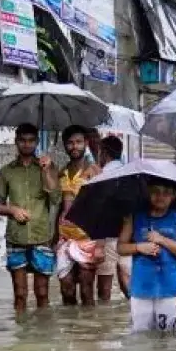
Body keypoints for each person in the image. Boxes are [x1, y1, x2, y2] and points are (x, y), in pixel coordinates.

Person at [0, 123, 61, 312]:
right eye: (23, 140)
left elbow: (55, 198)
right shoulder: (6, 171)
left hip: (42, 236)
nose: (27, 144)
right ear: (16, 142)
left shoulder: (47, 166)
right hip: (16, 237)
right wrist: (12, 210)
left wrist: (47, 170)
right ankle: (22, 336)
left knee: (42, 293)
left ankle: (42, 337)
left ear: (37, 142)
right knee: (20, 294)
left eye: (31, 140)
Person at [117, 179, 176, 332]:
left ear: (174, 195)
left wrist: (162, 240)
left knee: (168, 337)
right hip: (141, 287)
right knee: (140, 337)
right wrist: (139, 247)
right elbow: (120, 247)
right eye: (155, 191)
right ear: (148, 192)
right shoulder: (135, 217)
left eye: (166, 193)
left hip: (170, 288)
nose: (160, 196)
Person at [56, 125, 101, 306]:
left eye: (78, 142)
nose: (74, 146)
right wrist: (53, 239)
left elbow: (102, 209)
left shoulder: (95, 172)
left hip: (88, 237)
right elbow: (58, 208)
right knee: (66, 288)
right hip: (64, 237)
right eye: (70, 143)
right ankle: (70, 331)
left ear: (86, 143)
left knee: (86, 289)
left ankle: (87, 332)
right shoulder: (61, 173)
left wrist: (101, 244)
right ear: (65, 146)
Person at [95, 134, 131, 301]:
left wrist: (99, 243)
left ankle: (105, 325)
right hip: (130, 237)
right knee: (129, 287)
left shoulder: (102, 177)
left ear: (104, 153)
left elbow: (100, 211)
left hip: (108, 237)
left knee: (104, 290)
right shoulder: (130, 173)